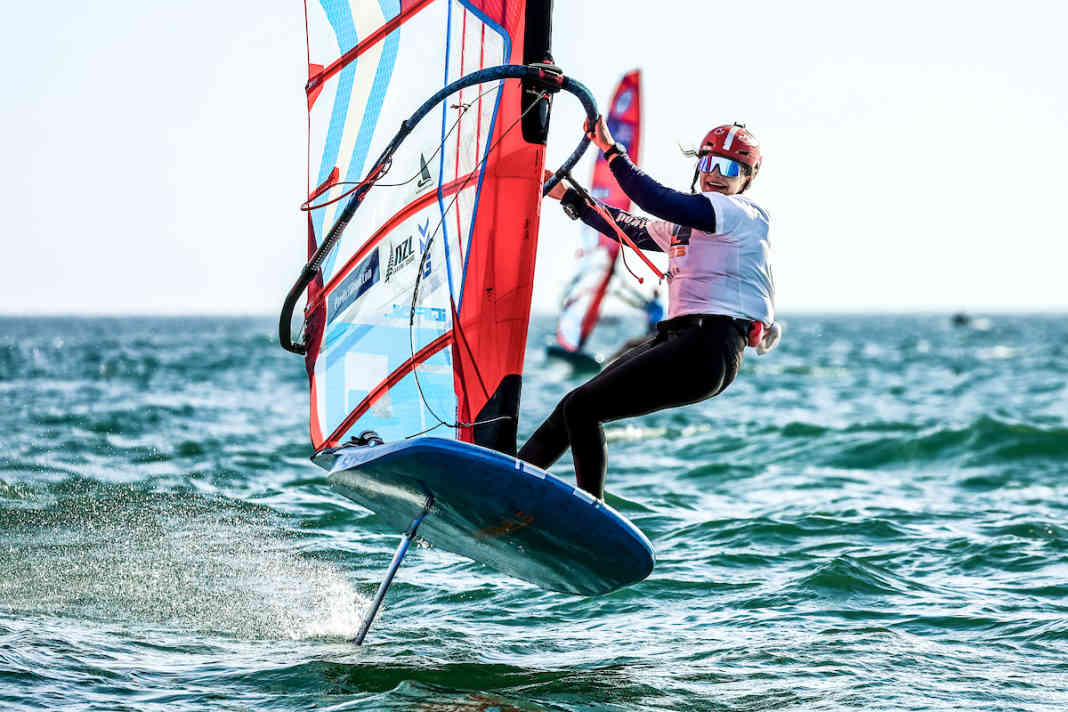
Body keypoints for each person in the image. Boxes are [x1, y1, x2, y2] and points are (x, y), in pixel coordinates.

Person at [518, 118, 781, 500]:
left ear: (746, 179)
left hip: (709, 348)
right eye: (708, 165)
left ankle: (593, 517)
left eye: (729, 169)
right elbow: (631, 227)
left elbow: (655, 199)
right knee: (571, 408)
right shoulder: (685, 225)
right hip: (679, 339)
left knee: (583, 409)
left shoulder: (742, 214)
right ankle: (507, 486)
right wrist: (571, 198)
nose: (715, 176)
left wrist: (612, 150)